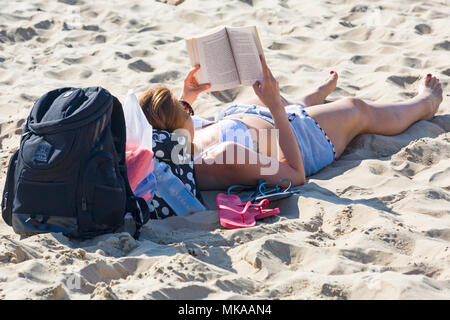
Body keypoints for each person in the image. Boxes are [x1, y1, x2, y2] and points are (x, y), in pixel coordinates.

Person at [138, 56, 443, 190]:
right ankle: (424, 105)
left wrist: (187, 98)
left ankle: (305, 100)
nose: (189, 110)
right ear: (174, 131)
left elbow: (176, 128)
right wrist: (274, 106)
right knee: (357, 109)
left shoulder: (174, 150)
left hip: (255, 122)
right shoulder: (221, 157)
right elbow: (295, 175)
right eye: (185, 112)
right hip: (303, 138)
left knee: (264, 100)